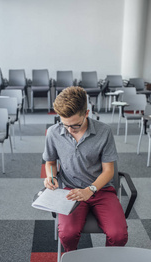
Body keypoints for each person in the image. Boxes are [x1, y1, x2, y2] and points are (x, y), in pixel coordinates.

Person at [42, 86, 128, 252]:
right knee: (67, 234)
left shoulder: (104, 132)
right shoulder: (54, 132)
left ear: (86, 113)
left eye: (74, 125)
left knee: (118, 235)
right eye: (64, 124)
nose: (68, 130)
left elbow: (109, 170)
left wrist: (91, 189)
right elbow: (50, 162)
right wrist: (51, 177)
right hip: (70, 190)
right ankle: (72, 261)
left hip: (100, 189)